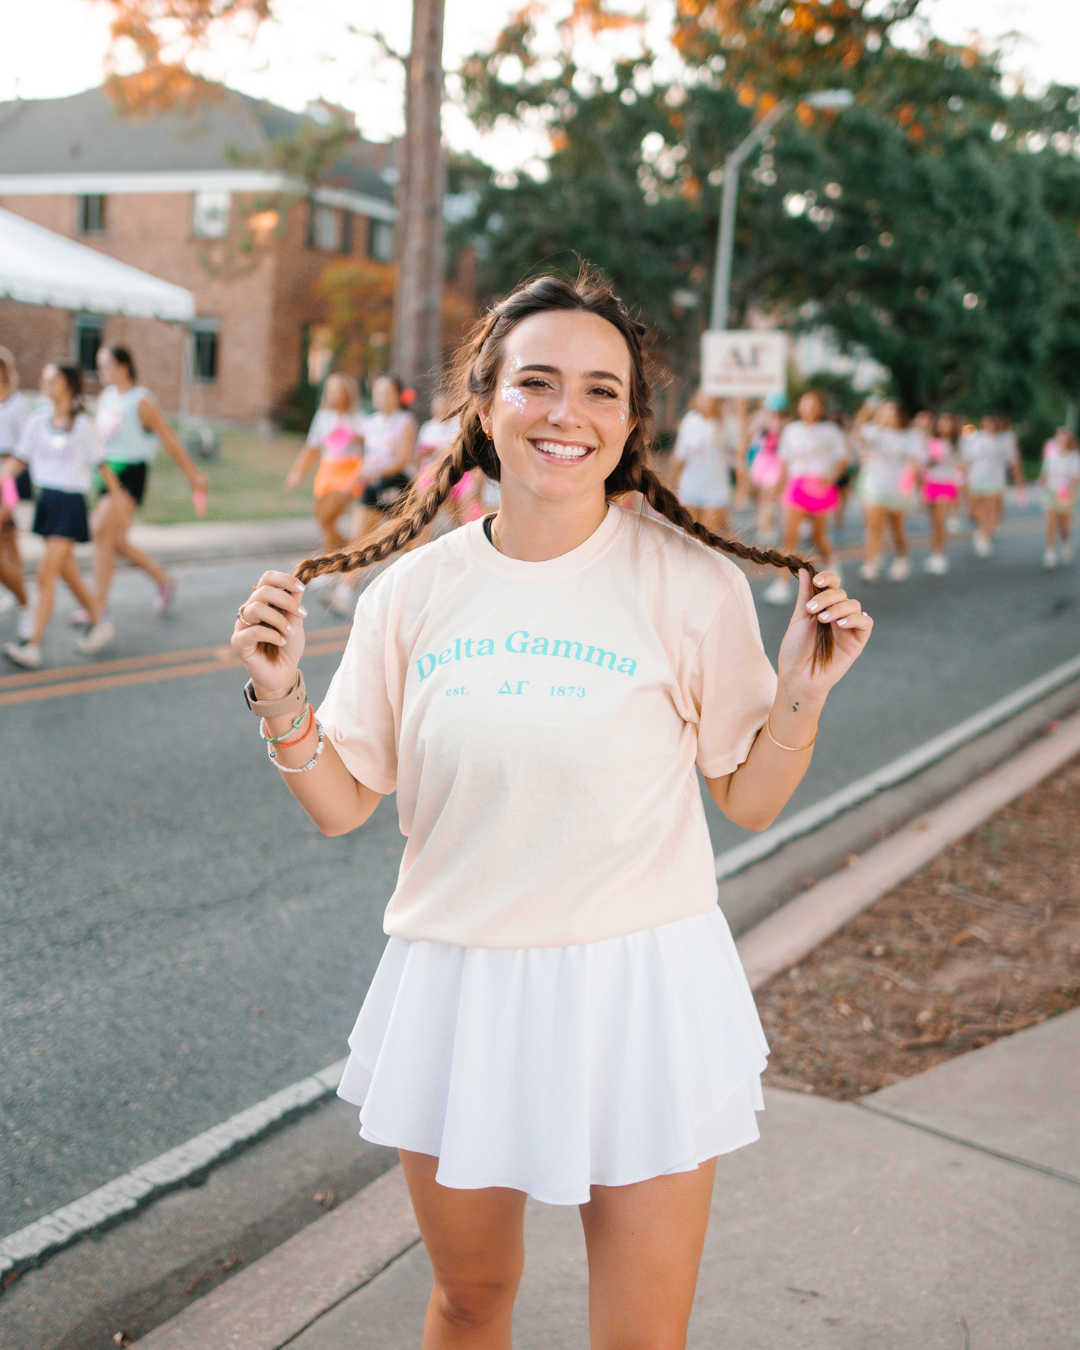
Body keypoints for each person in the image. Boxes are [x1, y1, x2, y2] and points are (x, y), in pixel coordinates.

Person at [230, 271, 873, 1350]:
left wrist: (803, 694)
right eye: (536, 382)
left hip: (642, 993)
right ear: (486, 406)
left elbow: (750, 799)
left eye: (600, 392)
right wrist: (281, 692)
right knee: (470, 1302)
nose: (566, 413)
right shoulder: (411, 595)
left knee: (640, 1335)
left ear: (629, 426)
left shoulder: (692, 585)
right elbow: (341, 806)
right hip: (460, 989)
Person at [79, 346, 209, 626]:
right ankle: (164, 579)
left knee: (100, 530)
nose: (101, 371)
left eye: (106, 365)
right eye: (99, 365)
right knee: (114, 541)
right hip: (106, 474)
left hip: (131, 474)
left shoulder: (141, 400)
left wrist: (193, 474)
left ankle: (97, 607)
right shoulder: (106, 397)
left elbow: (168, 438)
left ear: (124, 366)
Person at [1, 365, 118, 668]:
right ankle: (99, 621)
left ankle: (32, 642)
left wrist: (115, 502)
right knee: (67, 572)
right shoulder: (37, 420)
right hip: (47, 503)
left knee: (45, 573)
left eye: (51, 379)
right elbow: (18, 461)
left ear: (67, 385)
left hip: (71, 505)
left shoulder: (83, 426)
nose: (44, 383)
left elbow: (103, 469)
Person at [326, 373, 417, 617]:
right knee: (359, 540)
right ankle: (344, 594)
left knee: (408, 543)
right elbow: (359, 449)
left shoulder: (404, 421)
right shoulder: (370, 422)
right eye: (377, 391)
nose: (380, 396)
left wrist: (372, 472)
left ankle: (414, 597)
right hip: (372, 483)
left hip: (397, 484)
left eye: (386, 391)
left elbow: (401, 460)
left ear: (398, 396)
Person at [764, 390, 848, 605]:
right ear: (799, 406)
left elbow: (842, 459)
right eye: (805, 404)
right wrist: (776, 490)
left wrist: (831, 477)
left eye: (814, 404)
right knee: (789, 536)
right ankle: (783, 584)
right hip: (797, 485)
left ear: (821, 408)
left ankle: (832, 563)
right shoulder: (791, 430)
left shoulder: (830, 431)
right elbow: (784, 462)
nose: (809, 408)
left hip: (820, 485)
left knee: (817, 537)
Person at [284, 372, 366, 568]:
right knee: (322, 520)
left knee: (327, 517)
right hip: (327, 469)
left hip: (348, 470)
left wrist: (354, 437)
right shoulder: (322, 417)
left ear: (348, 393)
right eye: (330, 390)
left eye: (338, 390)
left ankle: (330, 563)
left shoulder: (358, 417)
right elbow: (311, 448)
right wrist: (297, 473)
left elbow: (370, 446)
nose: (333, 394)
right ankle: (347, 549)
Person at [854, 399, 923, 582]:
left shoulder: (910, 436)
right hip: (875, 486)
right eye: (885, 412)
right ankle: (870, 563)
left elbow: (916, 462)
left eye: (893, 412)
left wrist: (911, 486)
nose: (889, 416)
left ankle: (902, 558)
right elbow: (861, 438)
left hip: (898, 489)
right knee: (873, 527)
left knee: (896, 528)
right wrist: (863, 416)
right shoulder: (874, 431)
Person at [0, 348, 33, 636]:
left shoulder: (19, 404)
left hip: (9, 475)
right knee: (9, 540)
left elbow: (26, 446)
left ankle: (24, 602)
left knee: (6, 531)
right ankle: (18, 593)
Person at [673, 389, 734, 533]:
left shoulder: (725, 423)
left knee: (707, 536)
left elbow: (738, 449)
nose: (707, 402)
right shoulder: (689, 421)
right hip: (691, 486)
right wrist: (674, 482)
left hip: (715, 488)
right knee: (688, 535)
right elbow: (680, 455)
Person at [963, 413, 1024, 557]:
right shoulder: (975, 439)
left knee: (989, 512)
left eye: (992, 423)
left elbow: (1013, 461)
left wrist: (1019, 480)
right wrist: (963, 479)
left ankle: (985, 538)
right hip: (976, 479)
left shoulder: (1004, 440)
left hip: (995, 481)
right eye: (987, 423)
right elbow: (965, 460)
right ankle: (980, 527)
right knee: (973, 511)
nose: (990, 426)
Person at [920, 412, 965, 574]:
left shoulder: (957, 443)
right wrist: (934, 458)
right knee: (934, 522)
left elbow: (961, 465)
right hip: (931, 482)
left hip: (947, 484)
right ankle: (934, 553)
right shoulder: (931, 442)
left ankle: (940, 555)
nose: (945, 426)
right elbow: (924, 464)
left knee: (940, 519)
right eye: (942, 422)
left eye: (948, 423)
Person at [1039, 428, 1079, 568]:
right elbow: (1045, 472)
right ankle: (1050, 550)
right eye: (1059, 435)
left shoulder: (1073, 456)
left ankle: (1067, 543)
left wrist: (1071, 494)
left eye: (1064, 435)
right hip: (1050, 491)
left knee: (1063, 524)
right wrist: (1041, 482)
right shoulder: (1050, 453)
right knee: (1050, 522)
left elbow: (1075, 478)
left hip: (1065, 492)